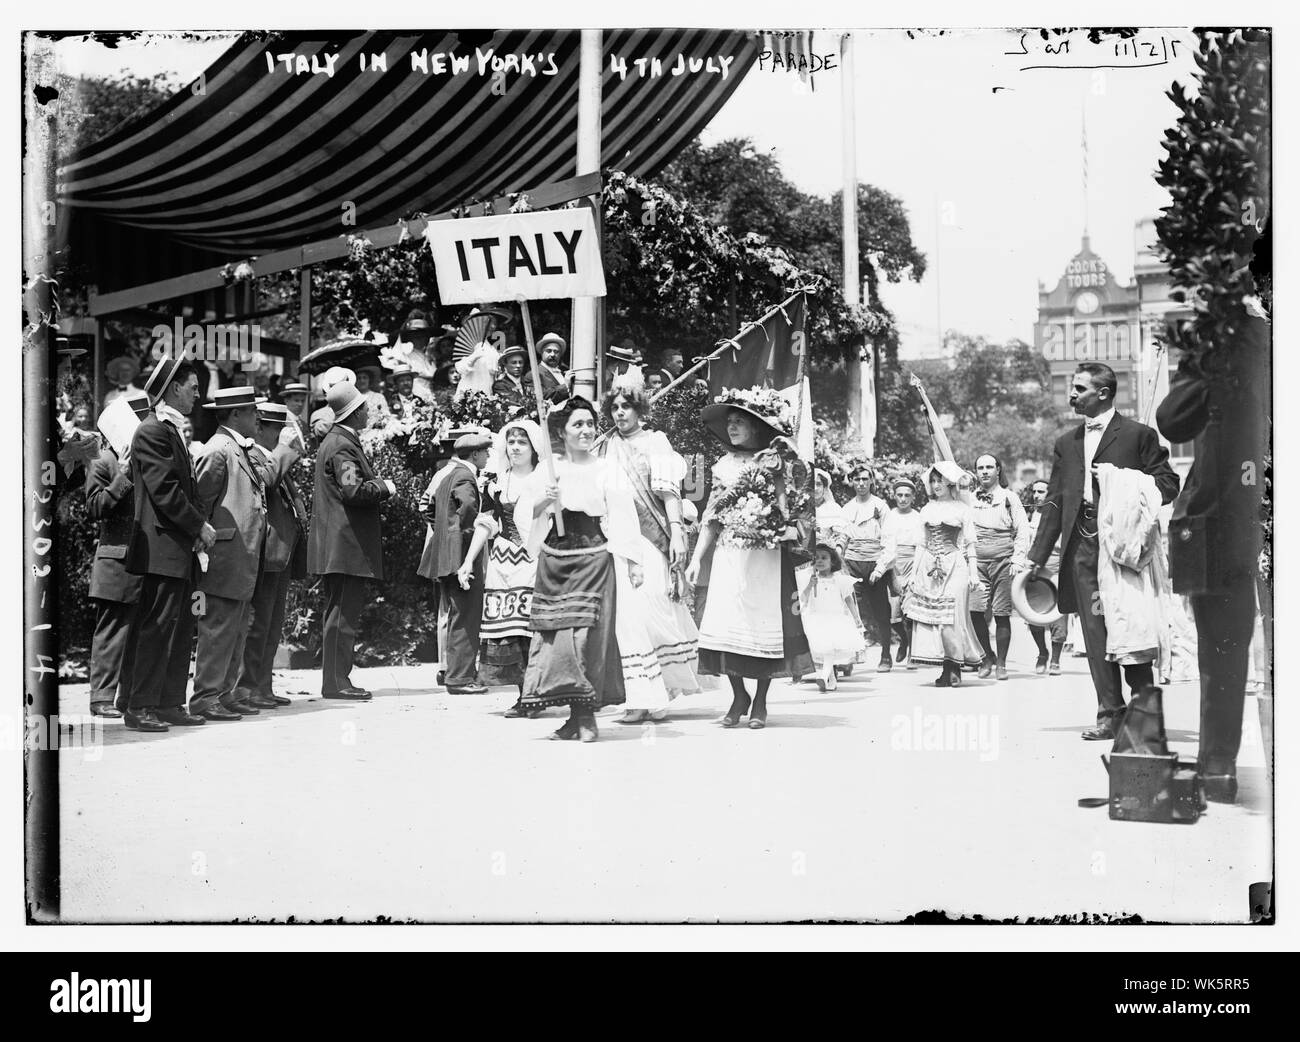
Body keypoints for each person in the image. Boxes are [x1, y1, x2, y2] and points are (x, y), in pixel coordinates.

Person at [1027, 361, 1180, 740]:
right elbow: (1055, 501)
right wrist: (1034, 559)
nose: (1071, 394)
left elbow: (1169, 484)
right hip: (1082, 546)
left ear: (1104, 393)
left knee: (1130, 628)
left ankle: (1145, 718)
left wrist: (1122, 482)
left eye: (1079, 388)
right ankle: (1109, 713)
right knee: (1095, 631)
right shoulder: (1067, 443)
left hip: (1123, 550)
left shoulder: (1138, 436)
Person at [1156, 307, 1268, 802]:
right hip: (1225, 521)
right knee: (1223, 648)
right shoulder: (1218, 341)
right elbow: (1173, 420)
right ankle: (1218, 762)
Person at [686, 389, 813, 729]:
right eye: (729, 422)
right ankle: (738, 694)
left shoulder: (773, 462)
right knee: (726, 626)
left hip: (765, 556)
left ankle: (759, 702)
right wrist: (697, 558)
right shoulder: (722, 466)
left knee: (761, 627)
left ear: (757, 427)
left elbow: (787, 509)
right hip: (730, 555)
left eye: (740, 421)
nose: (733, 427)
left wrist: (780, 525)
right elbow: (712, 517)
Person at [517, 395, 642, 742]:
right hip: (554, 556)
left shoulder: (607, 467)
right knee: (557, 638)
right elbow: (524, 510)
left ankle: (586, 715)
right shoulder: (549, 468)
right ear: (563, 431)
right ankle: (575, 716)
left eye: (590, 423)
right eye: (578, 424)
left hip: (593, 555)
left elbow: (621, 513)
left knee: (586, 637)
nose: (586, 430)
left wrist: (633, 561)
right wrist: (544, 499)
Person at [598, 372, 701, 722]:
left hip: (652, 538)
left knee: (655, 610)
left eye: (626, 406)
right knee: (629, 618)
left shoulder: (656, 442)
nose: (620, 413)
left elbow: (669, 493)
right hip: (620, 540)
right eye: (614, 407)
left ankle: (662, 689)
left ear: (640, 408)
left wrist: (676, 533)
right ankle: (643, 696)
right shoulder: (606, 445)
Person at [121, 356, 216, 731]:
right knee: (158, 627)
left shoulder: (170, 430)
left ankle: (169, 702)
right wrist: (200, 527)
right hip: (163, 549)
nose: (197, 394)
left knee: (180, 626)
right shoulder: (153, 431)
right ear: (173, 388)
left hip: (179, 549)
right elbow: (166, 492)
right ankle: (139, 705)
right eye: (192, 387)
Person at [307, 381, 396, 700]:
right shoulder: (342, 445)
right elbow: (354, 490)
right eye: (363, 407)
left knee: (338, 612)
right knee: (342, 614)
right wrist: (385, 487)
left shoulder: (336, 441)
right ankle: (337, 682)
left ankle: (335, 680)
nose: (368, 411)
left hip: (338, 545)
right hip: (344, 546)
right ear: (354, 412)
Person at [189, 387, 273, 721]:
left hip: (239, 555)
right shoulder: (219, 449)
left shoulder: (233, 447)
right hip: (223, 555)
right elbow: (200, 504)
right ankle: (206, 696)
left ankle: (223, 692)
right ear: (236, 414)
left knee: (236, 627)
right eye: (253, 411)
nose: (258, 417)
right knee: (219, 627)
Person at [455, 419, 547, 715]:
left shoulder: (545, 478)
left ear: (534, 447)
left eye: (523, 442)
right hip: (503, 564)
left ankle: (540, 693)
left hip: (536, 560)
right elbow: (486, 523)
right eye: (512, 441)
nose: (516, 447)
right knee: (511, 633)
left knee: (533, 631)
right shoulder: (497, 481)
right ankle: (526, 695)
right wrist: (468, 561)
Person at [84, 388, 153, 718]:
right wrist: (122, 478)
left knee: (138, 630)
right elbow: (95, 507)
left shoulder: (143, 460)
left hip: (141, 558)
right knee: (113, 630)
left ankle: (127, 697)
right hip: (115, 557)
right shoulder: (104, 461)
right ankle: (101, 696)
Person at [234, 402, 307, 710]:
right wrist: (284, 452)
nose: (282, 436)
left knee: (273, 623)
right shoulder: (252, 455)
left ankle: (262, 685)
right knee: (258, 623)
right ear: (260, 428)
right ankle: (246, 688)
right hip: (264, 552)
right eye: (276, 429)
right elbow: (266, 483)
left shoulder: (273, 456)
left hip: (280, 551)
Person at [418, 430, 493, 695]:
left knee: (454, 614)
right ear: (474, 454)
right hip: (461, 556)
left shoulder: (448, 473)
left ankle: (454, 674)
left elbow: (429, 509)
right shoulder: (465, 476)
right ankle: (461, 678)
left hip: (444, 555)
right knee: (467, 614)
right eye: (485, 452)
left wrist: (444, 532)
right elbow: (469, 511)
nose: (487, 456)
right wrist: (466, 540)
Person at [904, 461, 985, 686]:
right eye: (933, 480)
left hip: (955, 566)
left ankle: (955, 667)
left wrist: (973, 573)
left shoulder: (962, 509)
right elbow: (921, 543)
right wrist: (912, 574)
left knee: (953, 617)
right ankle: (945, 667)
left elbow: (969, 544)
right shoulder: (927, 509)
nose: (936, 484)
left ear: (950, 481)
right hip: (930, 567)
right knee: (936, 618)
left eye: (940, 480)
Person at [968, 453, 1030, 680]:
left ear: (998, 470)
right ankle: (987, 657)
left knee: (1002, 613)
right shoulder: (969, 498)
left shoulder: (1009, 497)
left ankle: (1001, 663)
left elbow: (1022, 529)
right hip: (977, 560)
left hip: (1004, 559)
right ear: (976, 472)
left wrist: (1017, 559)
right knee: (974, 612)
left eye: (989, 467)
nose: (984, 471)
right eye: (980, 468)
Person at [841, 464, 894, 671]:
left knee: (880, 611)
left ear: (871, 480)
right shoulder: (847, 509)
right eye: (857, 480)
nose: (861, 483)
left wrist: (880, 568)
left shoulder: (880, 506)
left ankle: (886, 655)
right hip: (852, 563)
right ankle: (849, 658)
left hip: (874, 562)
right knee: (851, 611)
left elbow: (889, 540)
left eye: (865, 479)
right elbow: (843, 537)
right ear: (852, 482)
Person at [799, 542, 866, 691]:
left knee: (829, 648)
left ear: (832, 561)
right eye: (816, 558)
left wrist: (856, 618)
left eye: (824, 558)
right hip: (817, 619)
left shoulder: (839, 579)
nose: (820, 561)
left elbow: (848, 598)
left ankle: (823, 676)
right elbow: (803, 598)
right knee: (823, 649)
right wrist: (810, 585)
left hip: (835, 619)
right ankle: (831, 679)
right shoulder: (811, 579)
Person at [878, 478, 925, 667]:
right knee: (893, 614)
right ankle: (904, 640)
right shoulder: (889, 516)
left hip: (913, 563)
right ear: (894, 496)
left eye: (907, 495)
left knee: (911, 612)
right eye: (900, 495)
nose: (903, 499)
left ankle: (912, 653)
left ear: (913, 497)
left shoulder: (918, 516)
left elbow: (922, 543)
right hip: (893, 564)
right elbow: (886, 542)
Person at [1024, 478, 1068, 675]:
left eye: (1041, 492)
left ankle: (1056, 660)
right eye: (1035, 491)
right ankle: (1042, 652)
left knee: (1058, 616)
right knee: (1033, 615)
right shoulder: (1032, 515)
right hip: (1034, 572)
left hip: (1057, 570)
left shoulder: (1061, 515)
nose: (1036, 495)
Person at [491, 344, 532, 412]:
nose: (518, 365)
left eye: (520, 362)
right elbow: (514, 403)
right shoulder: (500, 385)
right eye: (514, 363)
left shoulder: (527, 381)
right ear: (505, 364)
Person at [535, 332, 570, 402]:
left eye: (556, 352)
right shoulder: (534, 374)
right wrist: (566, 385)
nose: (553, 354)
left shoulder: (564, 372)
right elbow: (540, 397)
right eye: (548, 351)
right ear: (542, 352)